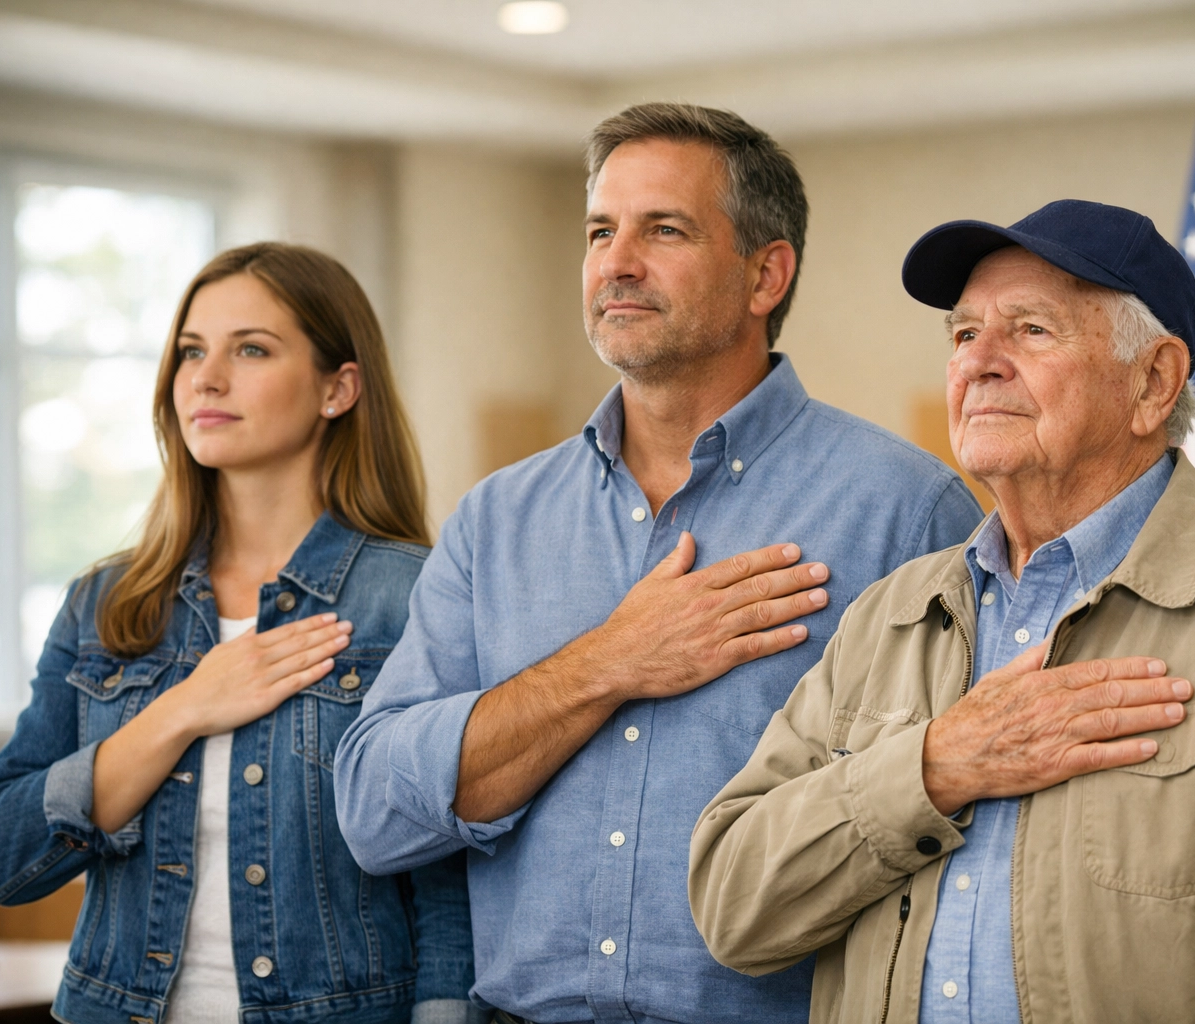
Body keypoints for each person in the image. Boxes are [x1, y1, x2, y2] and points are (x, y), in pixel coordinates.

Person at [689, 200, 1195, 1023]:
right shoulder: (889, 616)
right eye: (963, 335)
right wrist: (935, 766)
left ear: (1152, 381)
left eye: (1030, 331)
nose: (978, 363)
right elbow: (735, 909)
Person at [333, 103, 986, 1024]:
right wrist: (611, 662)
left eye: (663, 230)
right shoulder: (498, 518)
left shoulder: (906, 512)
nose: (617, 262)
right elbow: (373, 812)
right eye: (601, 230)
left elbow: (967, 819)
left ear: (767, 273)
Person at [0, 243, 477, 1024]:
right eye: (191, 352)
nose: (206, 378)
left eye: (251, 349)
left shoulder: (415, 595)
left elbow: (450, 895)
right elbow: (3, 856)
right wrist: (183, 709)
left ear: (338, 388)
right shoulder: (104, 603)